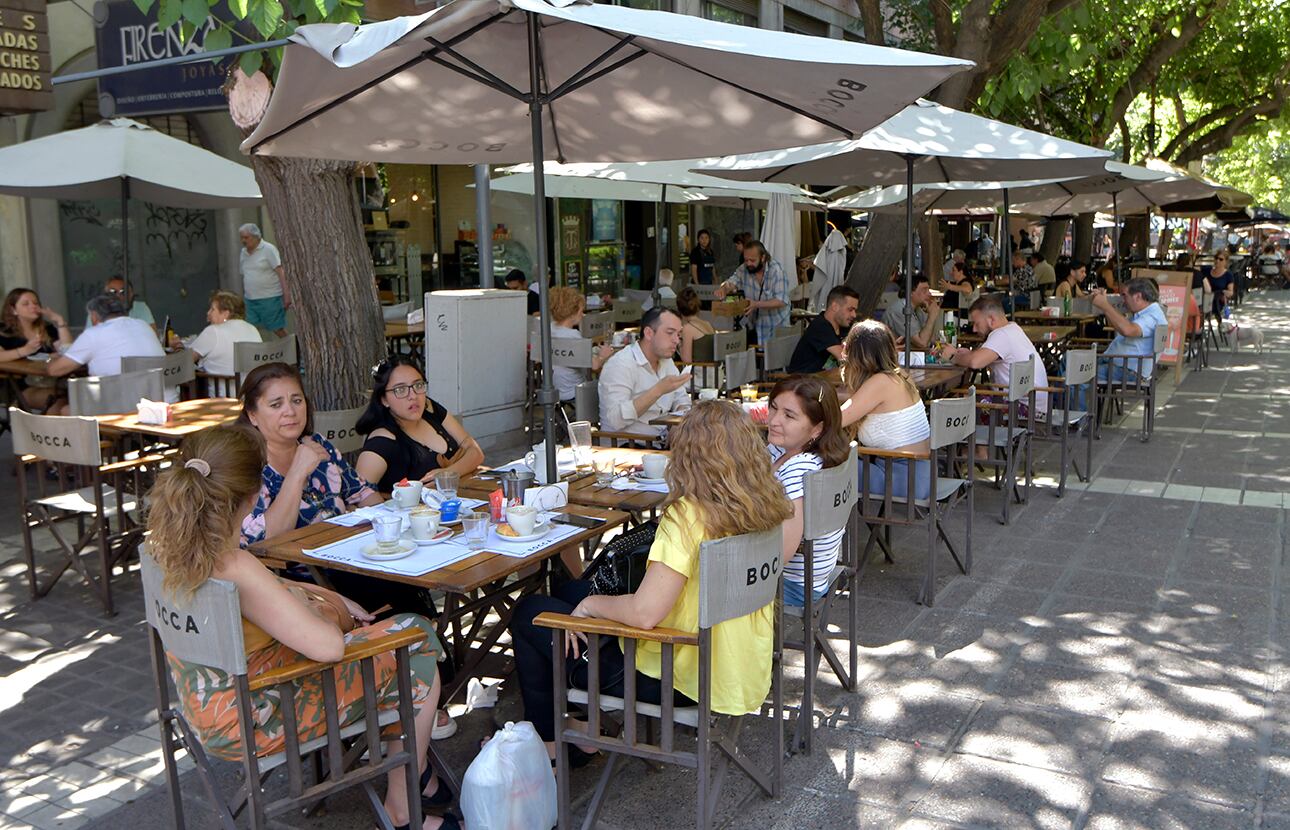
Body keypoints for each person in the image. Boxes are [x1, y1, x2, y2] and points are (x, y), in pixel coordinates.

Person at [145, 426, 458, 830]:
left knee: (392, 641)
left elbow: (259, 585)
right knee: (413, 639)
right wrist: (325, 611)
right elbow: (328, 648)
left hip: (199, 706)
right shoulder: (235, 567)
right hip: (257, 716)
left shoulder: (165, 550)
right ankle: (403, 802)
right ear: (254, 493)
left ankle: (419, 780)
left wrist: (309, 592)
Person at [507, 399, 792, 762]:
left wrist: (590, 606)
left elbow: (644, 615)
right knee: (564, 600)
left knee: (531, 612)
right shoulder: (767, 504)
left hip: (677, 674)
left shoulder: (689, 515)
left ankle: (550, 741)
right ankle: (580, 728)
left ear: (688, 455)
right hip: (738, 664)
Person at [767, 375, 849, 607]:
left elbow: (782, 551)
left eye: (789, 416)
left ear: (817, 429)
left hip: (792, 583)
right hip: (815, 575)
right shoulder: (784, 450)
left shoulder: (798, 469)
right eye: (773, 408)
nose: (774, 420)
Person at [355, 356, 486, 494]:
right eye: (400, 390)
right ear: (384, 400)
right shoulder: (382, 441)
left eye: (418, 385)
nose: (413, 396)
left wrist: (448, 474)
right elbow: (358, 495)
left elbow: (475, 451)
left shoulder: (429, 408)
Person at [838, 321, 931, 500]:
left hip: (900, 481)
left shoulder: (880, 383)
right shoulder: (900, 376)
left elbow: (835, 421)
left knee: (818, 458)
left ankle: (819, 524)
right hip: (920, 478)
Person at [939, 295, 1049, 413]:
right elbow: (981, 356)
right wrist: (969, 354)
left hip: (1020, 410)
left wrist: (952, 356)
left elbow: (975, 362)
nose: (974, 329)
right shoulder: (1012, 328)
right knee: (966, 390)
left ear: (991, 319)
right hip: (1031, 405)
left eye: (977, 323)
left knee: (956, 399)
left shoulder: (1001, 335)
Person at [598, 307, 691, 438]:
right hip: (629, 446)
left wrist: (678, 425)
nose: (676, 340)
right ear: (648, 333)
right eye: (670, 333)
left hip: (662, 440)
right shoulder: (621, 364)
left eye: (678, 334)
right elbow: (616, 420)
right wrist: (658, 390)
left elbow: (681, 399)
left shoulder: (666, 360)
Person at [48, 294, 164, 379]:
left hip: (124, 406)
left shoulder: (93, 334)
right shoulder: (143, 325)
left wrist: (49, 361)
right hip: (164, 403)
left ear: (93, 316)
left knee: (63, 409)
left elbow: (55, 370)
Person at [0, 288, 71, 413]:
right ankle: (49, 432)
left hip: (50, 380)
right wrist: (25, 350)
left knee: (70, 396)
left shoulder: (47, 327)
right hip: (16, 386)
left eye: (35, 303)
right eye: (26, 304)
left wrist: (60, 322)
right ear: (13, 310)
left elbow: (68, 350)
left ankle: (52, 432)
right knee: (57, 399)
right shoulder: (4, 330)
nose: (33, 306)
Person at [545, 287, 616, 403]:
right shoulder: (574, 337)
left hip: (553, 389)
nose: (582, 315)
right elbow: (595, 366)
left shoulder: (549, 329)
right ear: (572, 313)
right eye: (581, 311)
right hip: (576, 390)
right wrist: (603, 355)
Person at [714, 240, 790, 346]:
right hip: (754, 328)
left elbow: (781, 300)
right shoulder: (744, 269)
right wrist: (724, 289)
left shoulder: (777, 271)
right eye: (746, 260)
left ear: (763, 258)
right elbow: (731, 282)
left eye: (752, 260)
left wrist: (756, 304)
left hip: (776, 328)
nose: (748, 263)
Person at [170, 290, 262, 376]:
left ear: (226, 313)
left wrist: (178, 345)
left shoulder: (214, 331)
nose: (208, 313)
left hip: (221, 392)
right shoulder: (252, 328)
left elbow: (184, 362)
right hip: (249, 391)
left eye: (212, 309)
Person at [787, 284, 858, 374]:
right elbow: (844, 358)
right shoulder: (820, 326)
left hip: (823, 381)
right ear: (835, 306)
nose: (854, 315)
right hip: (802, 383)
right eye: (850, 309)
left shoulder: (843, 326)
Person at [238, 224, 290, 337]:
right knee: (249, 328)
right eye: (241, 237)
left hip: (270, 297)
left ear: (255, 236)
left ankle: (295, 350)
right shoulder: (243, 253)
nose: (243, 240)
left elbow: (280, 272)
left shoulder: (268, 249)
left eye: (246, 237)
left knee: (276, 328)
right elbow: (244, 274)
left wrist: (286, 295)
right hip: (250, 299)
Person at [883, 273, 942, 351]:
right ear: (910, 292)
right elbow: (922, 343)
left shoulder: (918, 310)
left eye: (928, 290)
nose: (929, 294)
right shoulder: (901, 310)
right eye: (924, 290)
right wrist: (932, 316)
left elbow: (931, 340)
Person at [84, 277, 156, 330]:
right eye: (113, 292)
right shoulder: (96, 311)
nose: (118, 296)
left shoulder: (141, 308)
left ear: (131, 294)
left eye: (123, 292)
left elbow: (153, 335)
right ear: (105, 295)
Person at [676, 287, 715, 364]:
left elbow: (687, 360)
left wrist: (679, 342)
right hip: (714, 371)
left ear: (679, 309)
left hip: (700, 372)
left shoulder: (688, 328)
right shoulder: (708, 324)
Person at [1205, 250, 1236, 320]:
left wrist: (1223, 292)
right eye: (1216, 258)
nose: (1217, 261)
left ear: (1226, 262)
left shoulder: (1228, 275)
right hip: (1206, 299)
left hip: (1218, 301)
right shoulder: (1207, 270)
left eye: (1221, 259)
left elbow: (1231, 292)